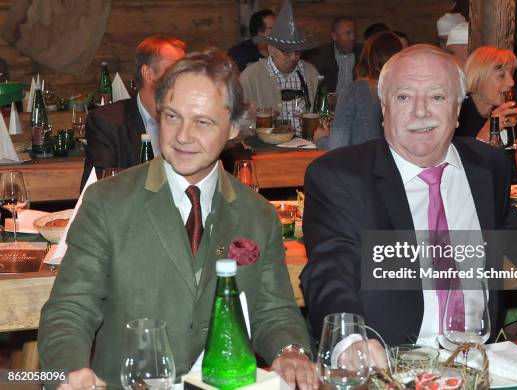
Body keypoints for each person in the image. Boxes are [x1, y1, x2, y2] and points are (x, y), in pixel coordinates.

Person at [39, 49, 318, 390]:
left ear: (232, 127)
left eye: (202, 122)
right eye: (172, 117)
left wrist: (291, 350)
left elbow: (273, 311)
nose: (183, 136)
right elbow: (70, 310)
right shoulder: (107, 202)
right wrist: (69, 370)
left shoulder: (257, 214)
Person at [301, 44, 517, 348]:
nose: (420, 111)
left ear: (457, 110)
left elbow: (503, 217)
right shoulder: (341, 177)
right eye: (404, 97)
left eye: (437, 97)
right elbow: (331, 269)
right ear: (384, 108)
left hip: (475, 357)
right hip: (387, 362)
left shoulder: (487, 166)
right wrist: (349, 342)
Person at [81, 35, 186, 189]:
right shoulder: (108, 122)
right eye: (175, 71)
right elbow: (97, 189)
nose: (184, 78)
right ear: (148, 73)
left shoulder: (188, 122)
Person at [240, 0, 319, 135]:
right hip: (266, 149)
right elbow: (239, 124)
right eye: (286, 51)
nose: (294, 57)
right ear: (271, 49)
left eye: (298, 52)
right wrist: (256, 123)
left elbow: (321, 113)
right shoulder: (250, 77)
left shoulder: (310, 73)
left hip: (306, 146)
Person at [313, 31, 403, 149]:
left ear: (367, 57)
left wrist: (320, 138)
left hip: (361, 165)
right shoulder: (405, 92)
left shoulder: (355, 91)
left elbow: (336, 148)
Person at [455, 46, 517, 140]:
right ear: (479, 78)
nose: (511, 82)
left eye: (511, 74)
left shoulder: (501, 114)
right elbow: (465, 153)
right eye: (501, 75)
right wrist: (489, 129)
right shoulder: (457, 117)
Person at [312, 17, 362, 96]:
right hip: (330, 105)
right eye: (348, 33)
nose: (353, 38)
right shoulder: (320, 55)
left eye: (354, 33)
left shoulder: (363, 54)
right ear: (334, 36)